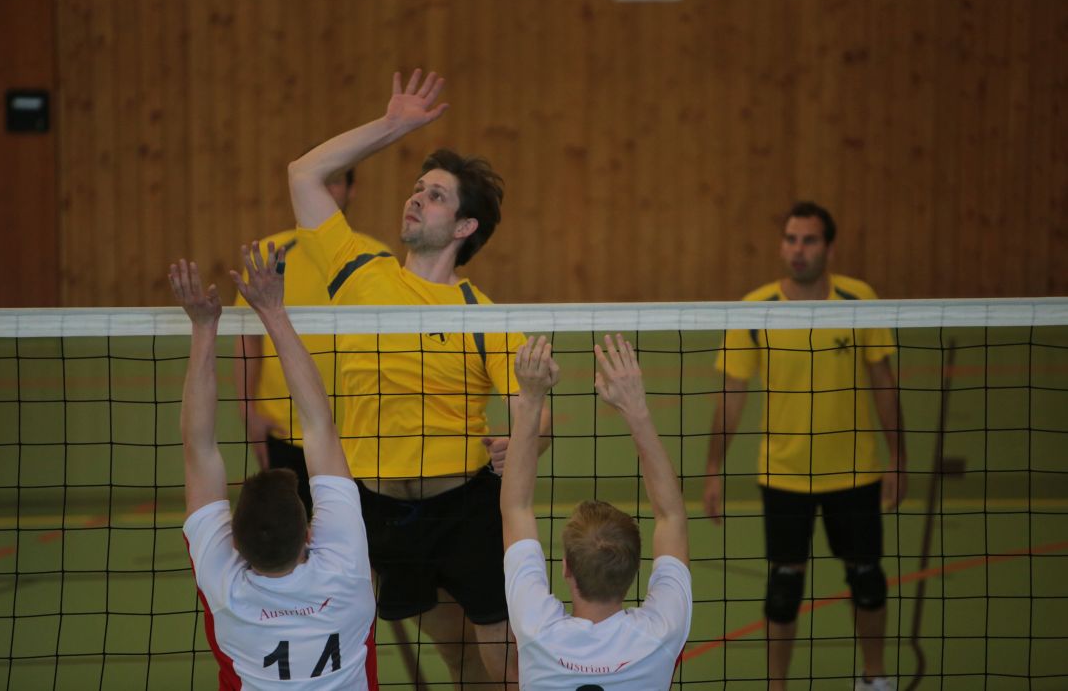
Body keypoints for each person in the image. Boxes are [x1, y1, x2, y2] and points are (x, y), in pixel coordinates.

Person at [285, 69, 549, 685]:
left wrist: (525, 438)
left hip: (463, 509)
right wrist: (391, 126)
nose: (416, 198)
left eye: (435, 195)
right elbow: (303, 173)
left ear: (463, 228)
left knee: (501, 661)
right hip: (375, 511)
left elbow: (534, 408)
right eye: (416, 189)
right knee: (443, 652)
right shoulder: (358, 270)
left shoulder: (483, 314)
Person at [702, 202, 906, 691]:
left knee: (867, 579)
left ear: (829, 248)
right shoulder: (755, 309)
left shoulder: (859, 300)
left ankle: (874, 678)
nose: (798, 249)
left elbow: (883, 382)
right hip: (784, 474)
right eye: (791, 239)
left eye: (809, 240)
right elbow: (732, 394)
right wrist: (712, 469)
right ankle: (778, 686)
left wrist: (899, 458)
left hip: (855, 471)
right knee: (783, 588)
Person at [174, 242, 377, 690]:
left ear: (235, 545)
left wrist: (203, 328)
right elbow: (319, 427)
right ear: (309, 534)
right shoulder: (345, 569)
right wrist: (273, 311)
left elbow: (198, 450)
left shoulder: (225, 590)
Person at [500, 334, 692, 690]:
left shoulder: (535, 628)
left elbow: (515, 507)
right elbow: (672, 517)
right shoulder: (660, 634)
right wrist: (636, 409)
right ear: (634, 568)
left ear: (566, 568)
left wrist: (530, 397)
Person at [233, 167, 389, 516]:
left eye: (334, 181)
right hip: (284, 433)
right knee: (292, 538)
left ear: (351, 190)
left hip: (360, 436)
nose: (325, 190)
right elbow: (248, 342)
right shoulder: (268, 256)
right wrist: (248, 412)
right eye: (318, 180)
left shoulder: (379, 258)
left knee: (364, 538)